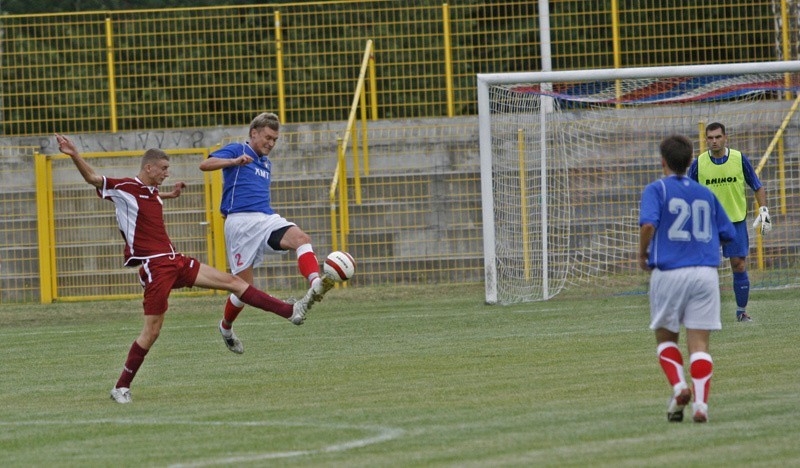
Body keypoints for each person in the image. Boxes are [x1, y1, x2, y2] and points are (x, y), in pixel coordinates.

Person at [55, 133, 316, 404]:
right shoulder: (125, 188)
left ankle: (290, 311)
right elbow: (94, 179)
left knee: (233, 282)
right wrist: (74, 153)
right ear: (149, 167)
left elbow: (150, 197)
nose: (167, 173)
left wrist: (171, 194)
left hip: (174, 260)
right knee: (152, 332)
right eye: (164, 169)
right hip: (154, 267)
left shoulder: (152, 192)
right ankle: (121, 387)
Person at [199, 112, 334, 355]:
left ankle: (315, 284)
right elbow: (205, 164)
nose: (271, 144)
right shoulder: (237, 149)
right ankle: (226, 327)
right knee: (243, 289)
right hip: (240, 225)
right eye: (268, 138)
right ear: (254, 133)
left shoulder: (266, 163)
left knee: (301, 239)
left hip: (265, 219)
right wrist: (233, 162)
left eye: (275, 140)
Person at [639, 134, 736, 423]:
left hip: (669, 272)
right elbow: (728, 233)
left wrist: (641, 254)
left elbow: (647, 224)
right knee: (700, 345)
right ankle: (701, 405)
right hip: (705, 273)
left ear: (663, 162)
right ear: (691, 161)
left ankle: (680, 386)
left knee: (666, 337)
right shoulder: (706, 194)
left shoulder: (656, 189)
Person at [688, 122, 772, 322]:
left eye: (718, 137)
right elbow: (687, 191)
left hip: (735, 221)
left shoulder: (738, 159)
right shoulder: (698, 163)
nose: (714, 141)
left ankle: (741, 311)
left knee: (739, 265)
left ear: (725, 137)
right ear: (706, 139)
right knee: (703, 268)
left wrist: (764, 211)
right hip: (708, 224)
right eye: (710, 138)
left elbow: (757, 186)